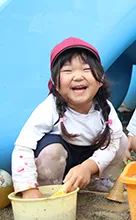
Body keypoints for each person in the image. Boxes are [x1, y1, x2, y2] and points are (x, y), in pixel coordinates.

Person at [12, 37, 128, 199]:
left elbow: (113, 143)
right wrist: (28, 189)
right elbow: (23, 146)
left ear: (100, 80)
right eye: (67, 71)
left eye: (86, 69)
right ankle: (49, 188)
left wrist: (89, 167)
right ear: (55, 84)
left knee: (121, 139)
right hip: (59, 161)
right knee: (52, 151)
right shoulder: (49, 108)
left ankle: (96, 180)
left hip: (88, 159)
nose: (78, 76)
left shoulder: (105, 108)